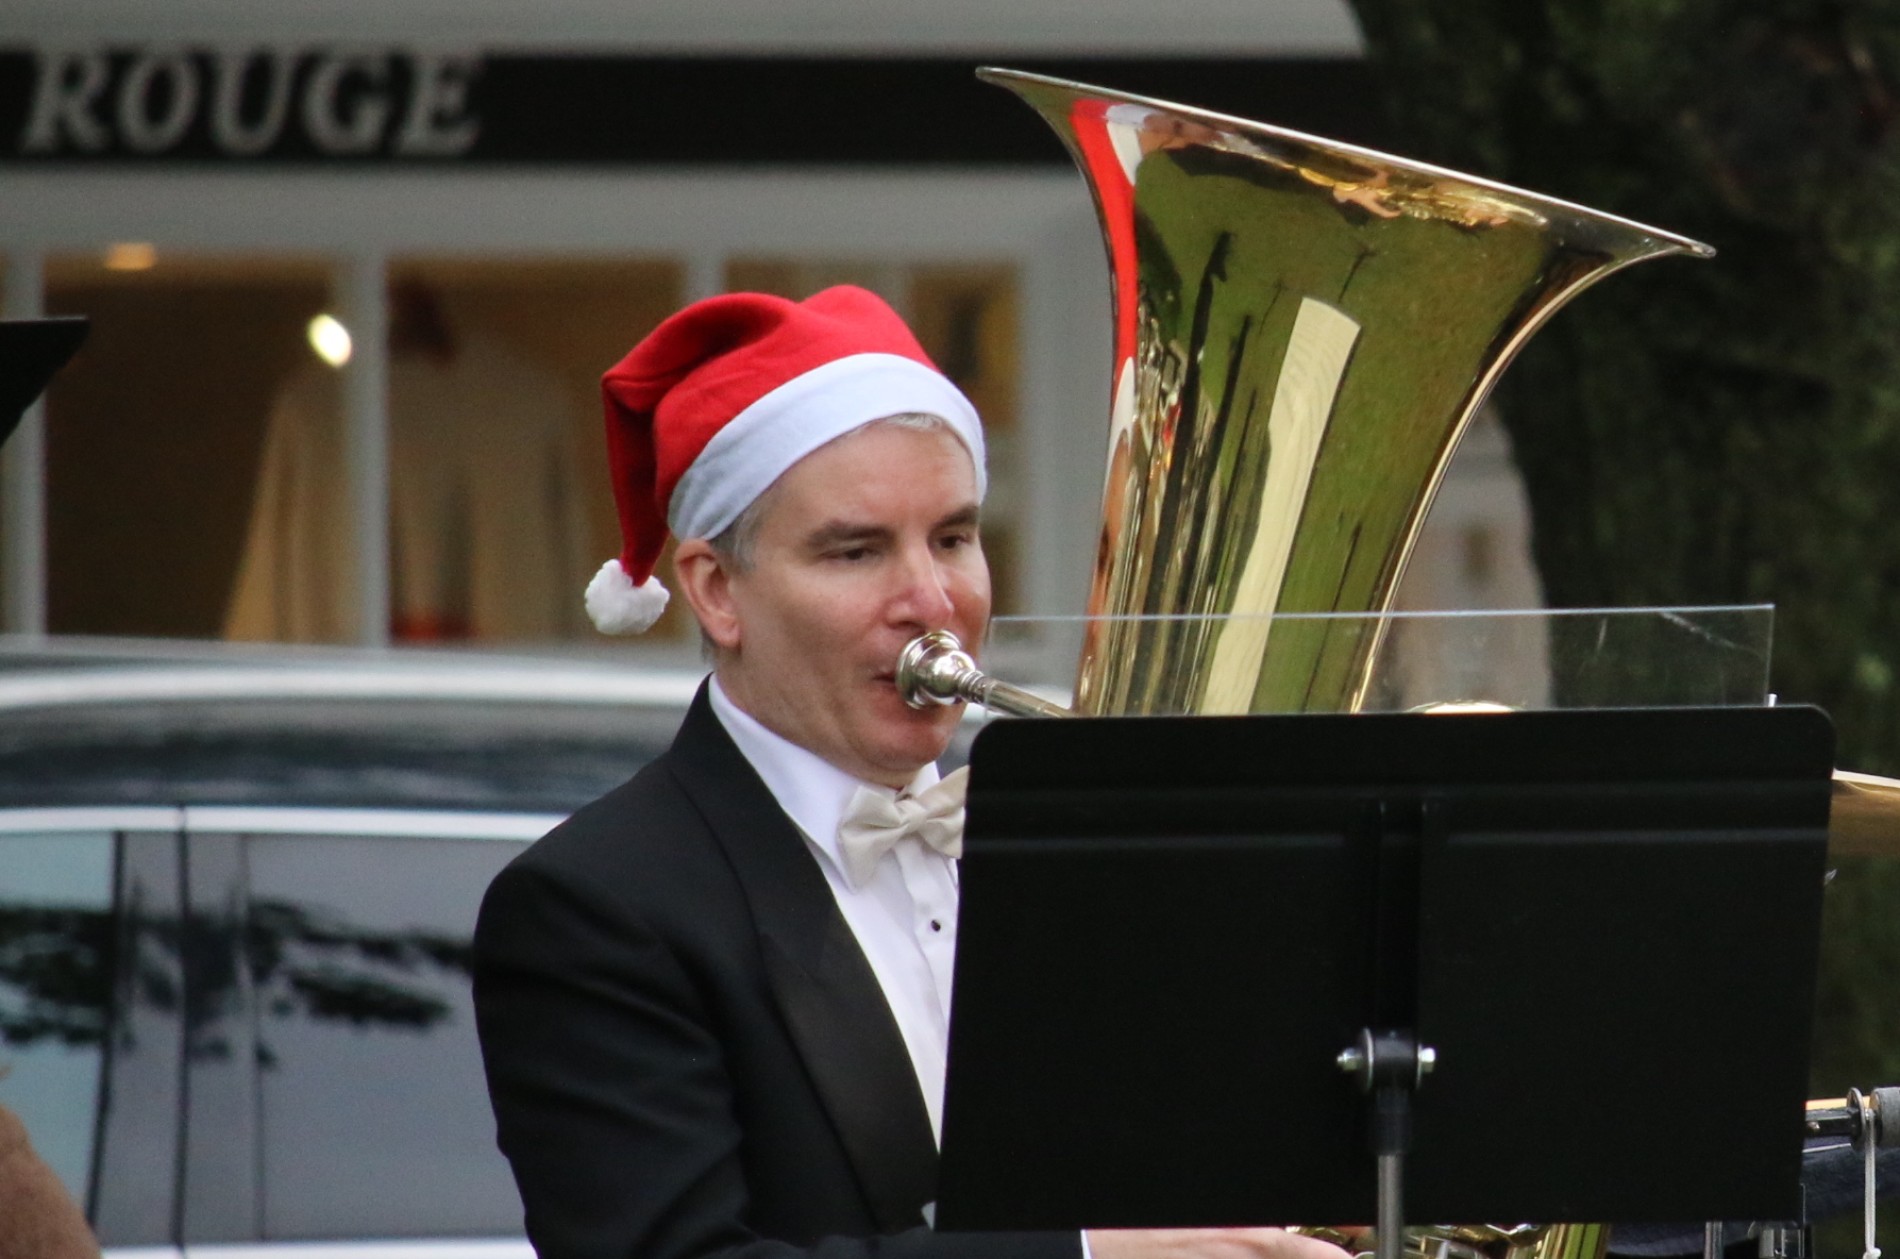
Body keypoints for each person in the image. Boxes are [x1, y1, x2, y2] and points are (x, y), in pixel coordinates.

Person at [472, 286, 1344, 1259]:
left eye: (955, 538)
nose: (932, 600)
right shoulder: (595, 905)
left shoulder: (1061, 851)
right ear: (717, 590)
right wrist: (1091, 1257)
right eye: (856, 550)